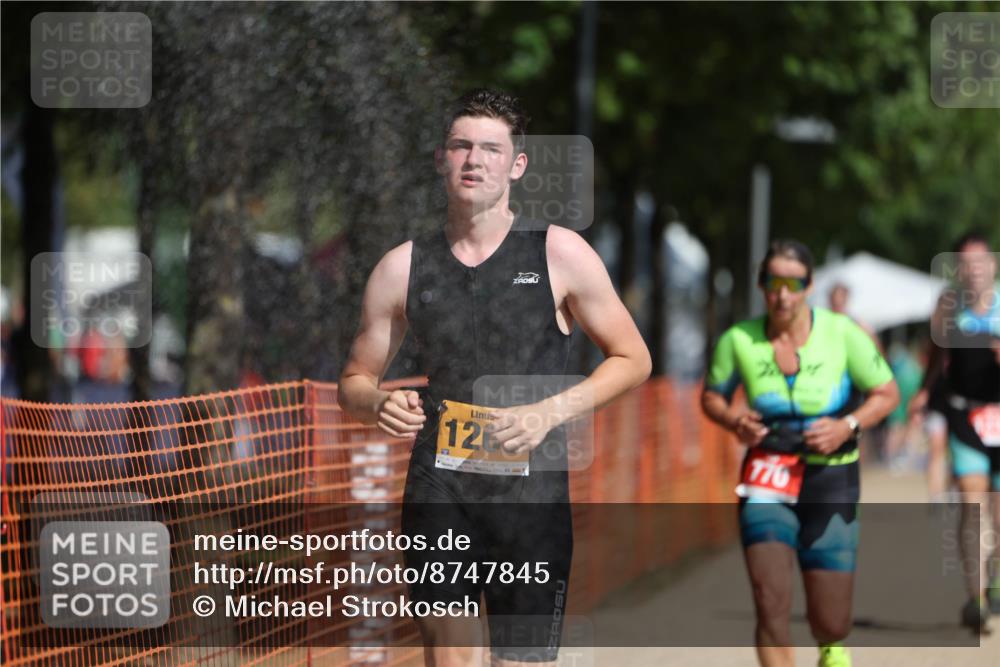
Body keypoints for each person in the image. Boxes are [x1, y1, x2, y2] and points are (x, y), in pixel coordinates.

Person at [338, 88, 651, 667]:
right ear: (441, 159)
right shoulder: (402, 266)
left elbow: (633, 359)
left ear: (517, 165)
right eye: (460, 146)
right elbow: (355, 379)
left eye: (490, 149)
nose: (474, 160)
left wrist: (547, 412)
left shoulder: (560, 253)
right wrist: (374, 403)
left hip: (529, 493)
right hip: (440, 485)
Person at [702, 239, 899, 667]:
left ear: (809, 287)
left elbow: (887, 393)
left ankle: (831, 647)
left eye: (794, 283)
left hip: (831, 477)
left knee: (831, 619)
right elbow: (711, 398)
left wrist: (846, 425)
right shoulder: (738, 340)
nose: (783, 293)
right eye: (774, 282)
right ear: (761, 285)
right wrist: (734, 421)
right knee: (770, 599)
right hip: (766, 475)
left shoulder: (843, 333)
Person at [909, 231, 1000, 630]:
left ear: (993, 266)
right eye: (965, 264)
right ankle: (975, 598)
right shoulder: (948, 306)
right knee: (972, 503)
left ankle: (994, 581)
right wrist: (922, 395)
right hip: (964, 416)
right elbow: (936, 355)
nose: (974, 271)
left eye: (980, 263)